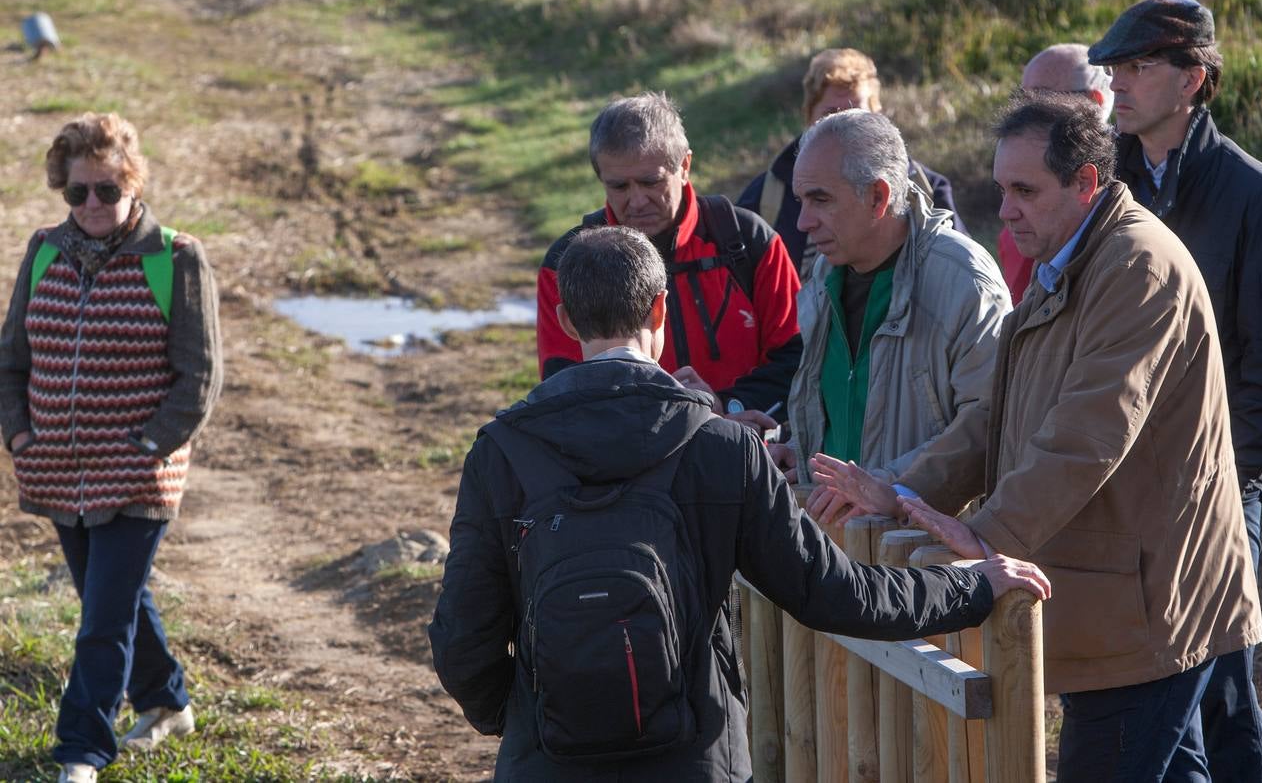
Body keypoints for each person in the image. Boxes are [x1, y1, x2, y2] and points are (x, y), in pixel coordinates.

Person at [428, 225, 1049, 781]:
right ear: (659, 309)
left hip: (546, 760)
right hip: (695, 756)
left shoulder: (501, 450)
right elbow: (834, 593)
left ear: (565, 322)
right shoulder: (721, 446)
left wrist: (520, 716)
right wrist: (974, 587)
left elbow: (462, 636)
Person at [810, 92, 1262, 780]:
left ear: (1085, 184)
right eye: (1001, 190)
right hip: (1114, 598)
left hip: (1150, 605)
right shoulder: (1066, 263)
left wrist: (988, 535)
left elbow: (1089, 432)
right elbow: (996, 417)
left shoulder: (1136, 266)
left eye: (1026, 190)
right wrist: (901, 491)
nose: (1008, 209)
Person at [1089, 0, 1262, 782]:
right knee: (1148, 686)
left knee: (1220, 689)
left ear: (1192, 79)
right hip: (1120, 488)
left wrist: (1228, 477)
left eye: (1138, 66)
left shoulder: (1256, 196)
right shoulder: (1104, 192)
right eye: (1113, 67)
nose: (1116, 82)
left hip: (1218, 487)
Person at [0, 113, 223, 783]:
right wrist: (19, 435)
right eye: (77, 192)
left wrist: (148, 446)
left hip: (138, 474)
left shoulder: (176, 257)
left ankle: (81, 751)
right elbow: (11, 360)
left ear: (130, 183)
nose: (91, 205)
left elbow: (200, 375)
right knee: (115, 599)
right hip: (59, 472)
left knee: (100, 619)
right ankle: (165, 699)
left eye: (105, 190)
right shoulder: (43, 251)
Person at [754, 109, 1006, 514]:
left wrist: (891, 491)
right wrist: (802, 456)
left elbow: (989, 422)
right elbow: (844, 409)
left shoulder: (964, 280)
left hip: (926, 556)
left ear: (878, 197)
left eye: (821, 199)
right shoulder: (824, 276)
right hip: (842, 552)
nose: (802, 222)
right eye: (801, 201)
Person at [536, 92, 802, 421]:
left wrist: (725, 406)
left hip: (744, 449)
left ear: (685, 166)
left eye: (651, 182)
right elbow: (561, 388)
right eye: (619, 187)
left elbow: (796, 362)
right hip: (623, 459)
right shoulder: (566, 263)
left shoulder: (750, 242)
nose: (637, 201)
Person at [737, 48, 966, 276]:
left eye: (857, 112)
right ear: (808, 116)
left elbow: (959, 271)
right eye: (831, 115)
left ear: (879, 115)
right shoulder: (766, 196)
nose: (845, 124)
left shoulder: (926, 189)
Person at [998, 43, 1115, 305]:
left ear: (1094, 103)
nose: (1023, 114)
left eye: (1040, 100)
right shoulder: (1022, 184)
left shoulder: (1141, 181)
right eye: (1021, 100)